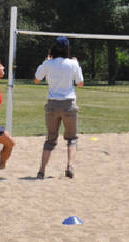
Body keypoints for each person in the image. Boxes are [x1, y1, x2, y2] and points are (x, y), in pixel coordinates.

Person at [34, 36, 84, 179]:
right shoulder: (72, 64)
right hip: (68, 104)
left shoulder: (48, 63)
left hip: (52, 105)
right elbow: (80, 83)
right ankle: (70, 167)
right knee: (72, 139)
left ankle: (41, 170)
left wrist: (45, 62)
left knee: (50, 140)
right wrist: (77, 64)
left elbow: (36, 79)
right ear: (67, 49)